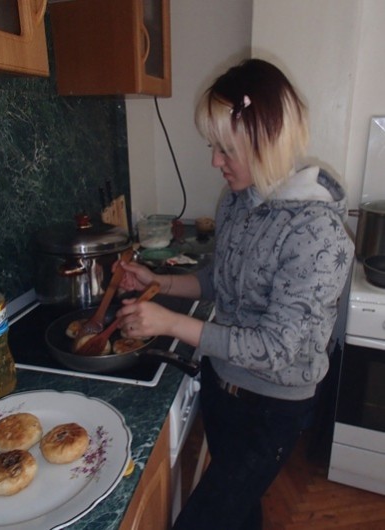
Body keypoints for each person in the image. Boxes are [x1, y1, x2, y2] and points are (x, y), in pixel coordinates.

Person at [115, 58, 355, 530]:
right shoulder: (237, 203)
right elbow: (216, 280)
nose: (214, 161)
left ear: (267, 143)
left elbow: (277, 347)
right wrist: (158, 283)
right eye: (214, 147)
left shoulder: (318, 233)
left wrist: (171, 325)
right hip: (222, 387)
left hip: (274, 408)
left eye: (227, 149)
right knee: (240, 512)